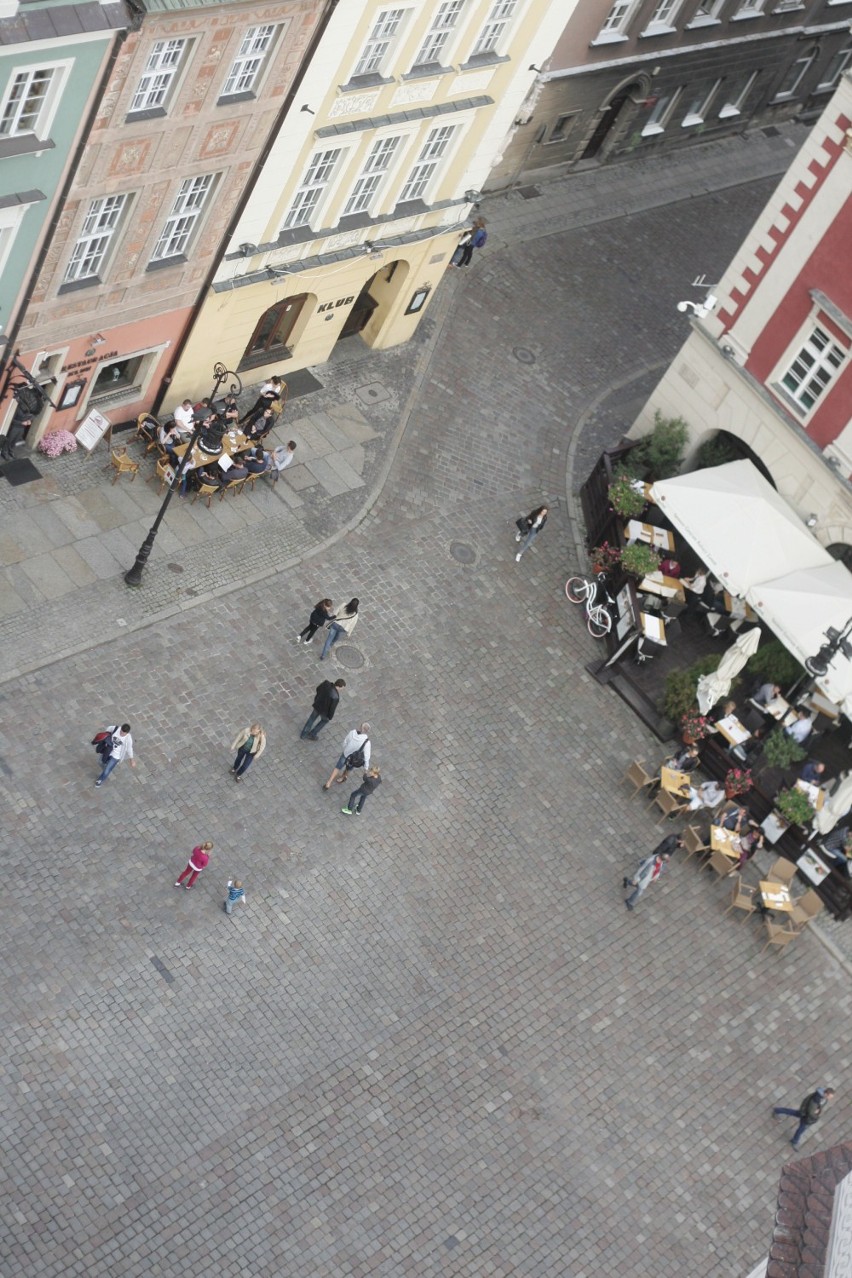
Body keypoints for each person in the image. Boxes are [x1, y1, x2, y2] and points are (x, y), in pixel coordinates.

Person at [622, 839, 678, 911]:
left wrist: (655, 877)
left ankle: (627, 882)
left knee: (636, 885)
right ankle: (630, 902)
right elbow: (643, 872)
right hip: (643, 879)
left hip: (647, 879)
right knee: (639, 892)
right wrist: (637, 879)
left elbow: (657, 870)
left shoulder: (659, 861)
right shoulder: (651, 863)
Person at [322, 724, 371, 790]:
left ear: (360, 727)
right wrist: (366, 768)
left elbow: (345, 742)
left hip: (345, 754)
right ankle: (343, 777)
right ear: (367, 731)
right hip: (354, 759)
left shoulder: (352, 733)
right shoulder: (367, 742)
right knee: (349, 768)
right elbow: (366, 756)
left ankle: (329, 782)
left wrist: (346, 750)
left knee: (337, 767)